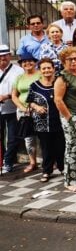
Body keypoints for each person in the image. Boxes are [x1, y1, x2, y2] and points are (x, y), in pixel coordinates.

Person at [53, 47, 76, 192]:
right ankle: (70, 180)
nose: (74, 61)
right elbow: (58, 100)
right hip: (71, 116)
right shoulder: (62, 77)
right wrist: (69, 118)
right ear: (63, 61)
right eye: (70, 59)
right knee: (72, 148)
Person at [26, 58, 64, 182]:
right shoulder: (34, 85)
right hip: (42, 123)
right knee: (46, 147)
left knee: (61, 146)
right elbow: (29, 101)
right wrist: (36, 107)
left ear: (53, 69)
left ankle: (63, 168)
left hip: (59, 120)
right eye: (44, 68)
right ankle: (47, 171)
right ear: (40, 70)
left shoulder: (59, 83)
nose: (47, 70)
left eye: (49, 68)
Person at [10, 53, 40, 173]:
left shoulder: (40, 75)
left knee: (43, 137)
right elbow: (14, 95)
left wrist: (37, 107)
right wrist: (22, 108)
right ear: (21, 64)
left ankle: (50, 161)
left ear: (35, 62)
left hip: (39, 110)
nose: (27, 63)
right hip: (23, 112)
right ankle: (33, 162)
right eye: (24, 62)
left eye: (30, 61)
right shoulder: (19, 77)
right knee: (28, 138)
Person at [0, 45, 25, 173]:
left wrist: (8, 96)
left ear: (10, 55)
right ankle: (3, 160)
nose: (2, 58)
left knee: (12, 137)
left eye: (5, 54)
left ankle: (8, 162)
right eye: (0, 55)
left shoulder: (19, 71)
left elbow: (22, 90)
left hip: (13, 109)